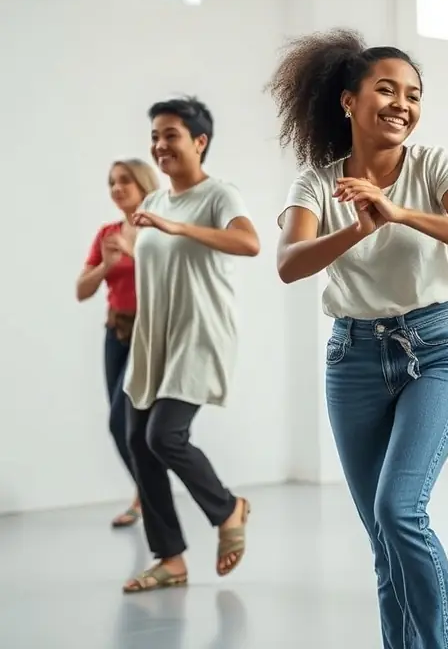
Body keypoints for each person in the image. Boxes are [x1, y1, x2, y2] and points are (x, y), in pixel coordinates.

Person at [272, 28, 448, 649]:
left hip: (438, 348)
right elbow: (290, 262)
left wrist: (398, 212)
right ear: (349, 101)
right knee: (384, 539)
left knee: (400, 511)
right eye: (386, 89)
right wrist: (357, 227)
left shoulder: (434, 165)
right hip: (353, 358)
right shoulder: (316, 182)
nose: (403, 102)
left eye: (414, 93)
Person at [121, 97, 258, 593]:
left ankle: (227, 509)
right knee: (138, 441)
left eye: (171, 135)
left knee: (164, 436)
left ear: (200, 141)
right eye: (155, 136)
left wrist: (179, 228)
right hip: (154, 337)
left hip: (200, 334)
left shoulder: (220, 195)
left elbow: (249, 243)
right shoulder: (153, 203)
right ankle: (171, 560)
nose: (160, 145)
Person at [76, 159, 159, 529]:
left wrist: (133, 250)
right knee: (121, 422)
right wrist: (107, 265)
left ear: (144, 185)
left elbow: (168, 280)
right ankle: (145, 494)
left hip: (150, 331)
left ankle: (149, 496)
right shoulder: (108, 233)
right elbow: (82, 290)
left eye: (125, 180)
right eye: (112, 182)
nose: (117, 188)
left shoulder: (158, 230)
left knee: (124, 421)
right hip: (116, 331)